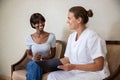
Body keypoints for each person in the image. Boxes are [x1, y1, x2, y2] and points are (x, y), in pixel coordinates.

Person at [47, 6, 110, 80]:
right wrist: (48, 64)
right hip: (76, 71)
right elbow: (67, 58)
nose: (67, 21)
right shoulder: (71, 37)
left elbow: (99, 65)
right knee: (52, 76)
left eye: (69, 18)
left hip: (94, 73)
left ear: (79, 20)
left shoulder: (92, 37)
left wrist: (74, 66)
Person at [26, 13, 57, 80]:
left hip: (46, 64)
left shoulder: (51, 36)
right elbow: (28, 55)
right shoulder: (29, 38)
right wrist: (33, 58)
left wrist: (44, 58)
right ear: (33, 24)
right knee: (34, 65)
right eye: (37, 22)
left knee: (33, 69)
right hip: (34, 62)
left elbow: (53, 54)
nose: (41, 24)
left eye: (42, 21)